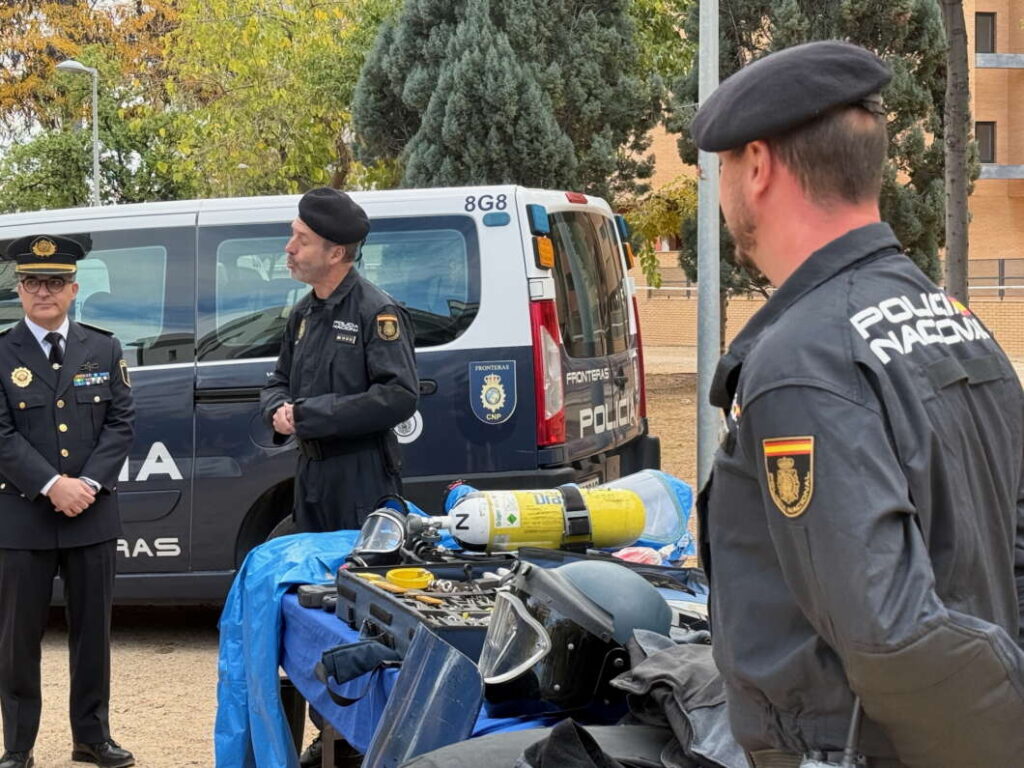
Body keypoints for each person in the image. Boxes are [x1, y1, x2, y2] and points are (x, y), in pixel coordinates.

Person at [691, 41, 1024, 768]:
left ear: (757, 166)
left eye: (720, 170)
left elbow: (888, 633)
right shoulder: (960, 326)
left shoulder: (798, 365)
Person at [260, 187, 418, 766]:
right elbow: (276, 380)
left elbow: (398, 396)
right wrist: (278, 411)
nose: (290, 248)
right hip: (312, 479)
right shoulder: (304, 313)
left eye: (300, 240)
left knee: (361, 611)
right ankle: (327, 734)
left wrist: (313, 415)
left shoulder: (376, 312)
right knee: (316, 610)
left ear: (336, 252)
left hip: (361, 480)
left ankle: (360, 741)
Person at [0, 235, 135, 768]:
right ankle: (18, 747)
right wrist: (55, 485)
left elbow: (121, 425)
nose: (44, 292)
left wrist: (89, 485)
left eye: (55, 282)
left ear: (74, 289)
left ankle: (92, 738)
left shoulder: (104, 348)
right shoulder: (0, 353)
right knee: (17, 640)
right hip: (21, 516)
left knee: (92, 635)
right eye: (33, 282)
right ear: (19, 288)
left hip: (92, 516)